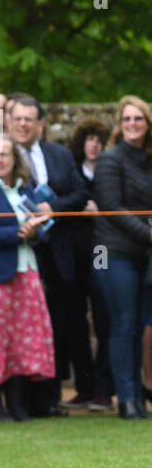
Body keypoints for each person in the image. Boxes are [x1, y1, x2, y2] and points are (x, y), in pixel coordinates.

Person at [7, 95, 88, 417]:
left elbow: (81, 194)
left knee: (54, 326)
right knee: (19, 328)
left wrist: (53, 208)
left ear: (40, 124)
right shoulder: (0, 155)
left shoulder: (60, 155)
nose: (24, 124)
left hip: (58, 254)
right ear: (9, 121)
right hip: (17, 253)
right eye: (18, 118)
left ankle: (49, 400)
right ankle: (21, 400)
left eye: (30, 119)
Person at [0, 136, 56, 421]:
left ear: (15, 158)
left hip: (26, 274)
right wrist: (22, 233)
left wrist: (37, 229)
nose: (0, 159)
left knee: (21, 342)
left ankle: (17, 405)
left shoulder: (27, 189)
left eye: (5, 154)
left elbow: (42, 232)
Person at [92, 96, 152, 419]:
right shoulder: (110, 159)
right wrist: (149, 233)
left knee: (137, 326)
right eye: (127, 119)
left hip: (143, 256)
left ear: (147, 124)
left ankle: (138, 399)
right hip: (108, 254)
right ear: (120, 124)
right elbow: (110, 206)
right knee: (122, 324)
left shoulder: (148, 159)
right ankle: (126, 399)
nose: (132, 125)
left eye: (138, 119)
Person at [61, 117, 113, 411]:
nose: (94, 145)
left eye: (99, 140)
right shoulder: (74, 172)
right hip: (74, 250)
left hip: (102, 249)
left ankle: (104, 388)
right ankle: (85, 386)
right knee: (75, 318)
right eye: (89, 139)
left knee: (104, 313)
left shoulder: (108, 170)